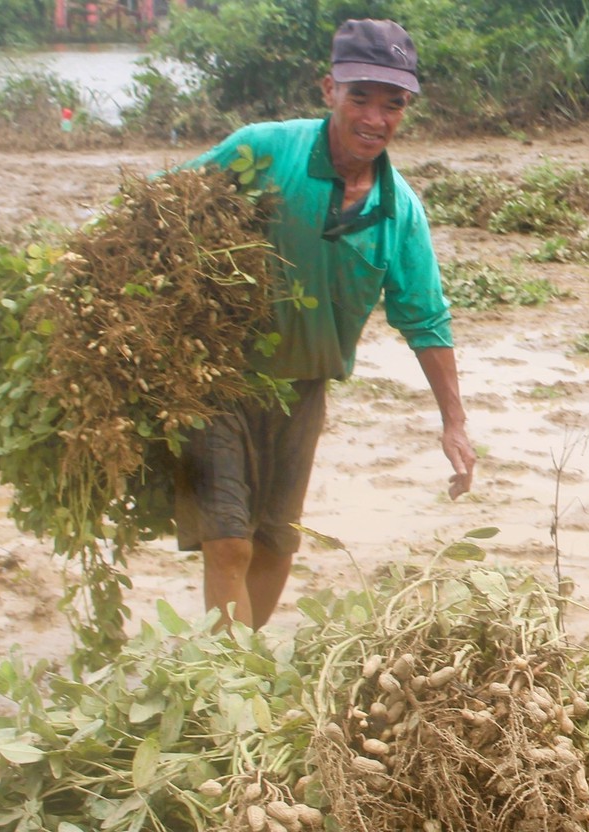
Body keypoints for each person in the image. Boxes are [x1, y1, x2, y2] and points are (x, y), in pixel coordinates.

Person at [172, 19, 474, 628]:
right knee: (229, 539)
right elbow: (167, 205)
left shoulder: (399, 212)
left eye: (393, 104)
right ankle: (221, 679)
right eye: (359, 96)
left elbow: (425, 319)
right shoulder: (263, 150)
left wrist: (454, 421)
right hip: (219, 380)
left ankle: (241, 666)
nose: (374, 118)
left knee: (278, 540)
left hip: (302, 389)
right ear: (328, 90)